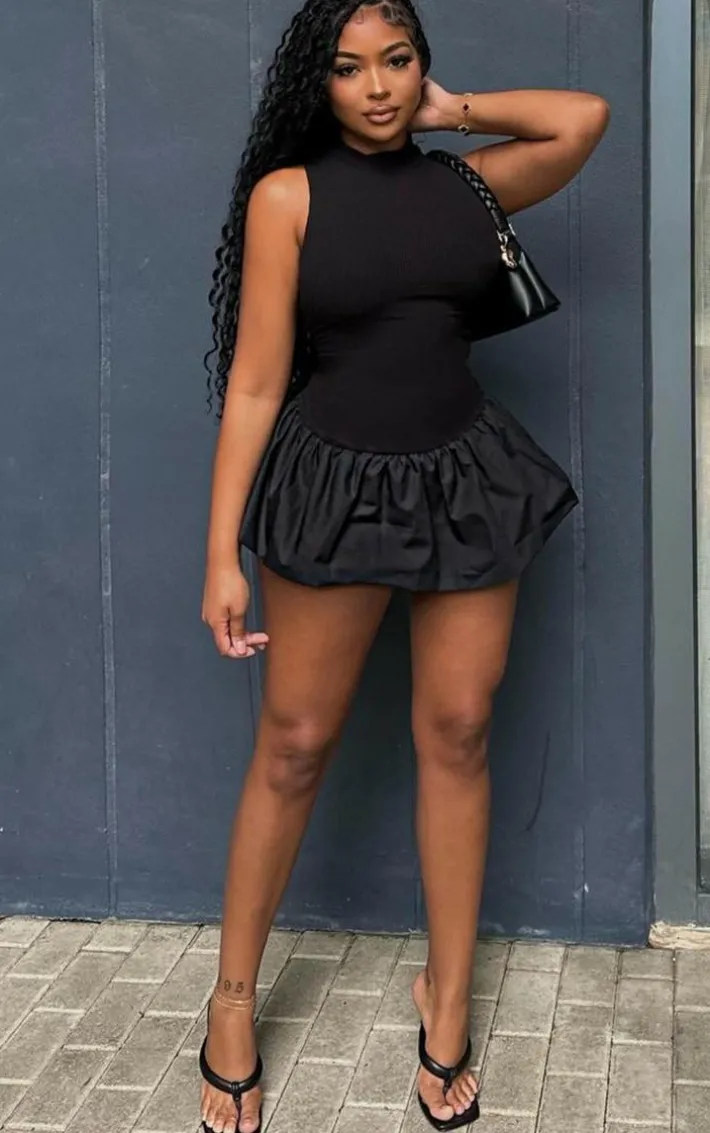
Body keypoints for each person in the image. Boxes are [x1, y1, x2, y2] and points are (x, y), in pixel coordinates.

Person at [199, 1, 609, 1130]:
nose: (376, 87)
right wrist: (220, 551)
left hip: (464, 476)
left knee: (460, 731)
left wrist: (454, 111)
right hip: (332, 485)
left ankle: (447, 993)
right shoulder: (289, 197)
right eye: (349, 68)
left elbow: (581, 118)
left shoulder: (468, 186)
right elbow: (254, 383)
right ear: (315, 82)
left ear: (422, 68)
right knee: (294, 743)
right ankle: (230, 999)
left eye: (396, 62)